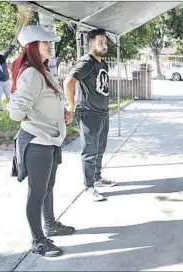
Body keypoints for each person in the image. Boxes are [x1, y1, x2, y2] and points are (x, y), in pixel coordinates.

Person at [8, 25, 75, 257]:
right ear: (31, 47)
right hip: (37, 142)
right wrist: (36, 118)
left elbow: (48, 100)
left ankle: (50, 225)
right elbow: (16, 112)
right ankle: (38, 241)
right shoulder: (31, 73)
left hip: (49, 141)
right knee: (37, 193)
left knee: (48, 188)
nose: (50, 45)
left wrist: (61, 115)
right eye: (44, 42)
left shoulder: (43, 70)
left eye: (50, 42)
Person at [63, 28, 116, 202]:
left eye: (105, 43)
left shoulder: (102, 63)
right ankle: (88, 186)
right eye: (100, 43)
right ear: (91, 44)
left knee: (100, 149)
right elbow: (69, 82)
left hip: (102, 113)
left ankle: (97, 177)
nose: (104, 46)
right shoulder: (86, 62)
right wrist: (70, 105)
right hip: (88, 114)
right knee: (90, 151)